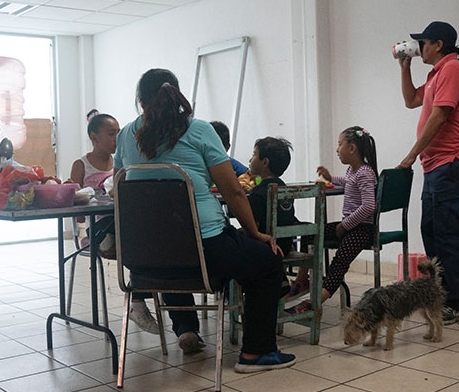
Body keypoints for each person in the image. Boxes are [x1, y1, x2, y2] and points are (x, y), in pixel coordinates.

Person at [114, 68, 296, 372]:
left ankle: (185, 328)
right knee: (267, 261)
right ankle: (256, 353)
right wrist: (255, 233)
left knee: (170, 244)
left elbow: (118, 186)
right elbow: (233, 192)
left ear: (140, 101)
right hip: (205, 251)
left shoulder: (124, 136)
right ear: (176, 95)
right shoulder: (198, 130)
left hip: (146, 259)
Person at [397, 21, 459, 324]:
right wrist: (404, 68)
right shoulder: (435, 74)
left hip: (451, 164)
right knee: (430, 231)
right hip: (435, 167)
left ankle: (456, 303)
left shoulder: (453, 69)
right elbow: (410, 101)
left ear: (439, 44)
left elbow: (440, 116)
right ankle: (440, 297)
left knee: (447, 235)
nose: (420, 48)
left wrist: (411, 154)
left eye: (424, 43)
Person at [68, 110, 161, 336]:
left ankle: (139, 299)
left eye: (119, 133)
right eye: (111, 133)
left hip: (124, 225)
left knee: (152, 238)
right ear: (94, 137)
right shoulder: (81, 165)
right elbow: (74, 206)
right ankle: (139, 298)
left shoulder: (121, 162)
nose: (117, 138)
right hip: (99, 229)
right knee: (141, 240)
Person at [286, 126, 377, 315]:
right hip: (350, 225)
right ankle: (302, 281)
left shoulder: (365, 173)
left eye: (339, 144)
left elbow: (369, 206)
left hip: (362, 229)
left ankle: (314, 303)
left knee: (339, 262)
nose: (337, 149)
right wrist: (331, 178)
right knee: (310, 233)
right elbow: (347, 182)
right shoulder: (353, 171)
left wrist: (345, 225)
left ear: (352, 148)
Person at [246, 136, 299, 256]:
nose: (250, 159)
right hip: (285, 246)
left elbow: (253, 229)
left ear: (265, 162)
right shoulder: (285, 189)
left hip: (266, 247)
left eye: (254, 155)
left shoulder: (257, 192)